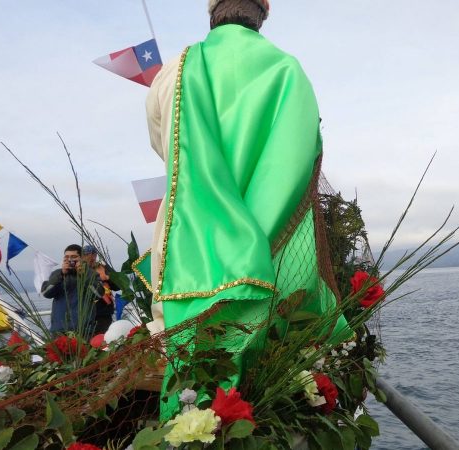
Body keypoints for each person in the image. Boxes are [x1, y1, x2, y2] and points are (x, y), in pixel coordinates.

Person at [142, 0, 348, 416]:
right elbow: (302, 155)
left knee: (186, 361)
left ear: (213, 14)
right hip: (276, 250)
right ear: (261, 16)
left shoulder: (177, 69)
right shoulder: (288, 70)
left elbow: (160, 141)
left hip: (190, 232)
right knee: (279, 362)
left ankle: (189, 423)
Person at [42, 244, 86, 334]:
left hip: (83, 328)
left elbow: (98, 293)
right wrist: (61, 275)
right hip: (60, 328)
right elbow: (46, 293)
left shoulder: (90, 274)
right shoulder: (57, 274)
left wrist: (84, 275)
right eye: (67, 257)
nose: (70, 260)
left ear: (82, 258)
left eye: (74, 257)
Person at [81, 245, 119, 335]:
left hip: (104, 313)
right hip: (85, 314)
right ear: (82, 256)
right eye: (87, 254)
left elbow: (118, 286)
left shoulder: (103, 268)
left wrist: (107, 277)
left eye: (93, 254)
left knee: (102, 342)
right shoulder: (79, 270)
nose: (91, 257)